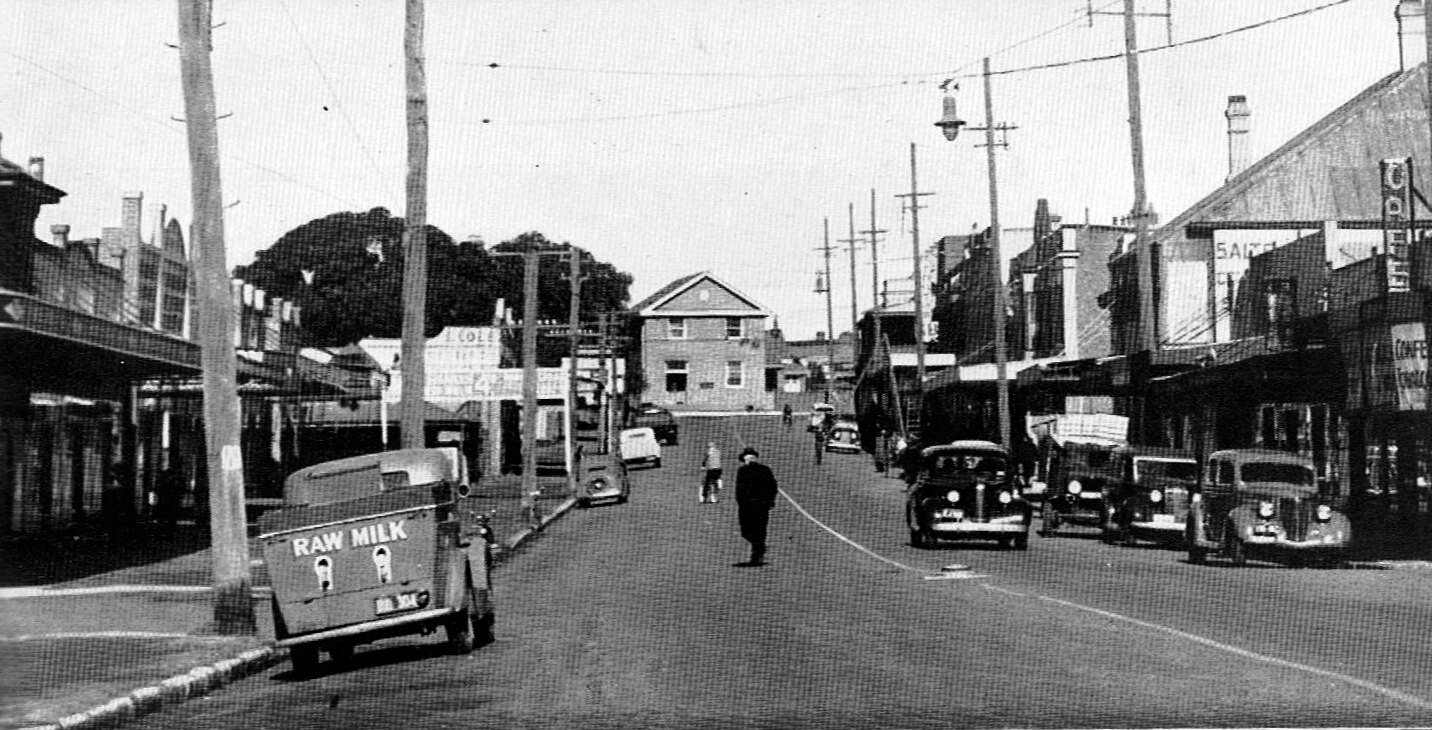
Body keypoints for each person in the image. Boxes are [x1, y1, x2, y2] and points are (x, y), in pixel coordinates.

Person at [735, 447, 779, 566]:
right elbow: (773, 487)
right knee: (759, 530)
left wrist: (740, 502)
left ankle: (757, 552)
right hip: (760, 505)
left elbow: (740, 489)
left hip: (749, 505)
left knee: (748, 530)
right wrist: (770, 501)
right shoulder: (765, 470)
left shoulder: (743, 471)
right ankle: (759, 549)